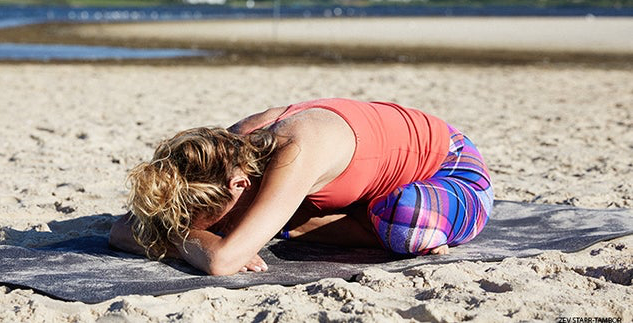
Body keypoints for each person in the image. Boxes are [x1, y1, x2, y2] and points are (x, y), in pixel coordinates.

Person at [109, 98, 493, 276]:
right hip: (363, 183)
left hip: (453, 167)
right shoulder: (227, 149)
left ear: (239, 184)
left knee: (403, 218)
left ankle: (320, 221)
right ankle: (327, 216)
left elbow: (222, 261)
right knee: (268, 220)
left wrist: (185, 241)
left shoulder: (295, 146)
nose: (202, 226)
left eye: (206, 219)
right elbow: (121, 230)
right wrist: (189, 235)